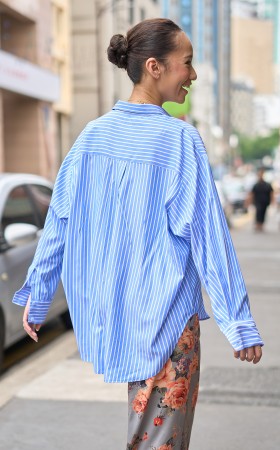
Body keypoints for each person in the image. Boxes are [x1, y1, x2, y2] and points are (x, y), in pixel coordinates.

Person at [13, 18, 263, 450]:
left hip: (120, 315)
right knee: (160, 442)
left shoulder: (90, 138)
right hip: (168, 317)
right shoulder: (180, 141)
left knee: (146, 435)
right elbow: (209, 236)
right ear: (154, 67)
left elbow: (59, 222)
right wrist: (238, 322)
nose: (194, 74)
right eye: (187, 63)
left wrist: (38, 294)